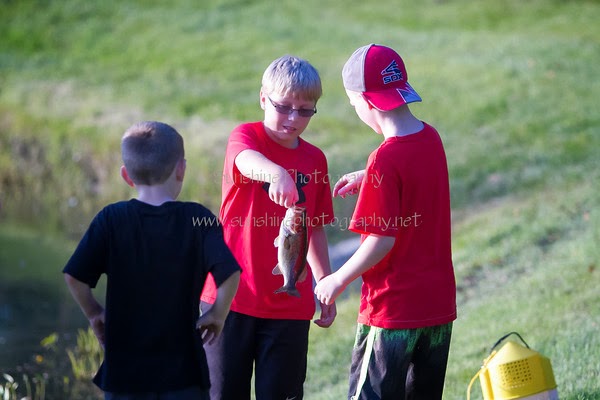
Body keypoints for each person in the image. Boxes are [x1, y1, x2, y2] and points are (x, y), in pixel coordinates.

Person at [314, 44, 457, 399]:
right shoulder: (430, 138)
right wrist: (371, 177)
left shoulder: (385, 159)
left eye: (353, 105)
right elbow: (413, 175)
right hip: (436, 307)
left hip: (392, 311)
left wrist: (338, 279)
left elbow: (382, 240)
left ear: (366, 102)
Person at [63, 121, 241, 400]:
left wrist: (95, 313)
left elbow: (75, 277)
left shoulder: (111, 219)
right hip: (184, 375)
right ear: (181, 169)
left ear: (126, 175)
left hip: (124, 376)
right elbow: (230, 274)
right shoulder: (199, 219)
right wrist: (218, 315)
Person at [200, 55, 337, 400]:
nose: (293, 118)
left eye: (304, 110)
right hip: (229, 300)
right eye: (284, 107)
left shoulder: (316, 160)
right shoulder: (246, 137)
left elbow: (314, 229)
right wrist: (276, 173)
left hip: (289, 307)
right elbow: (245, 161)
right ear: (263, 98)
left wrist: (325, 282)